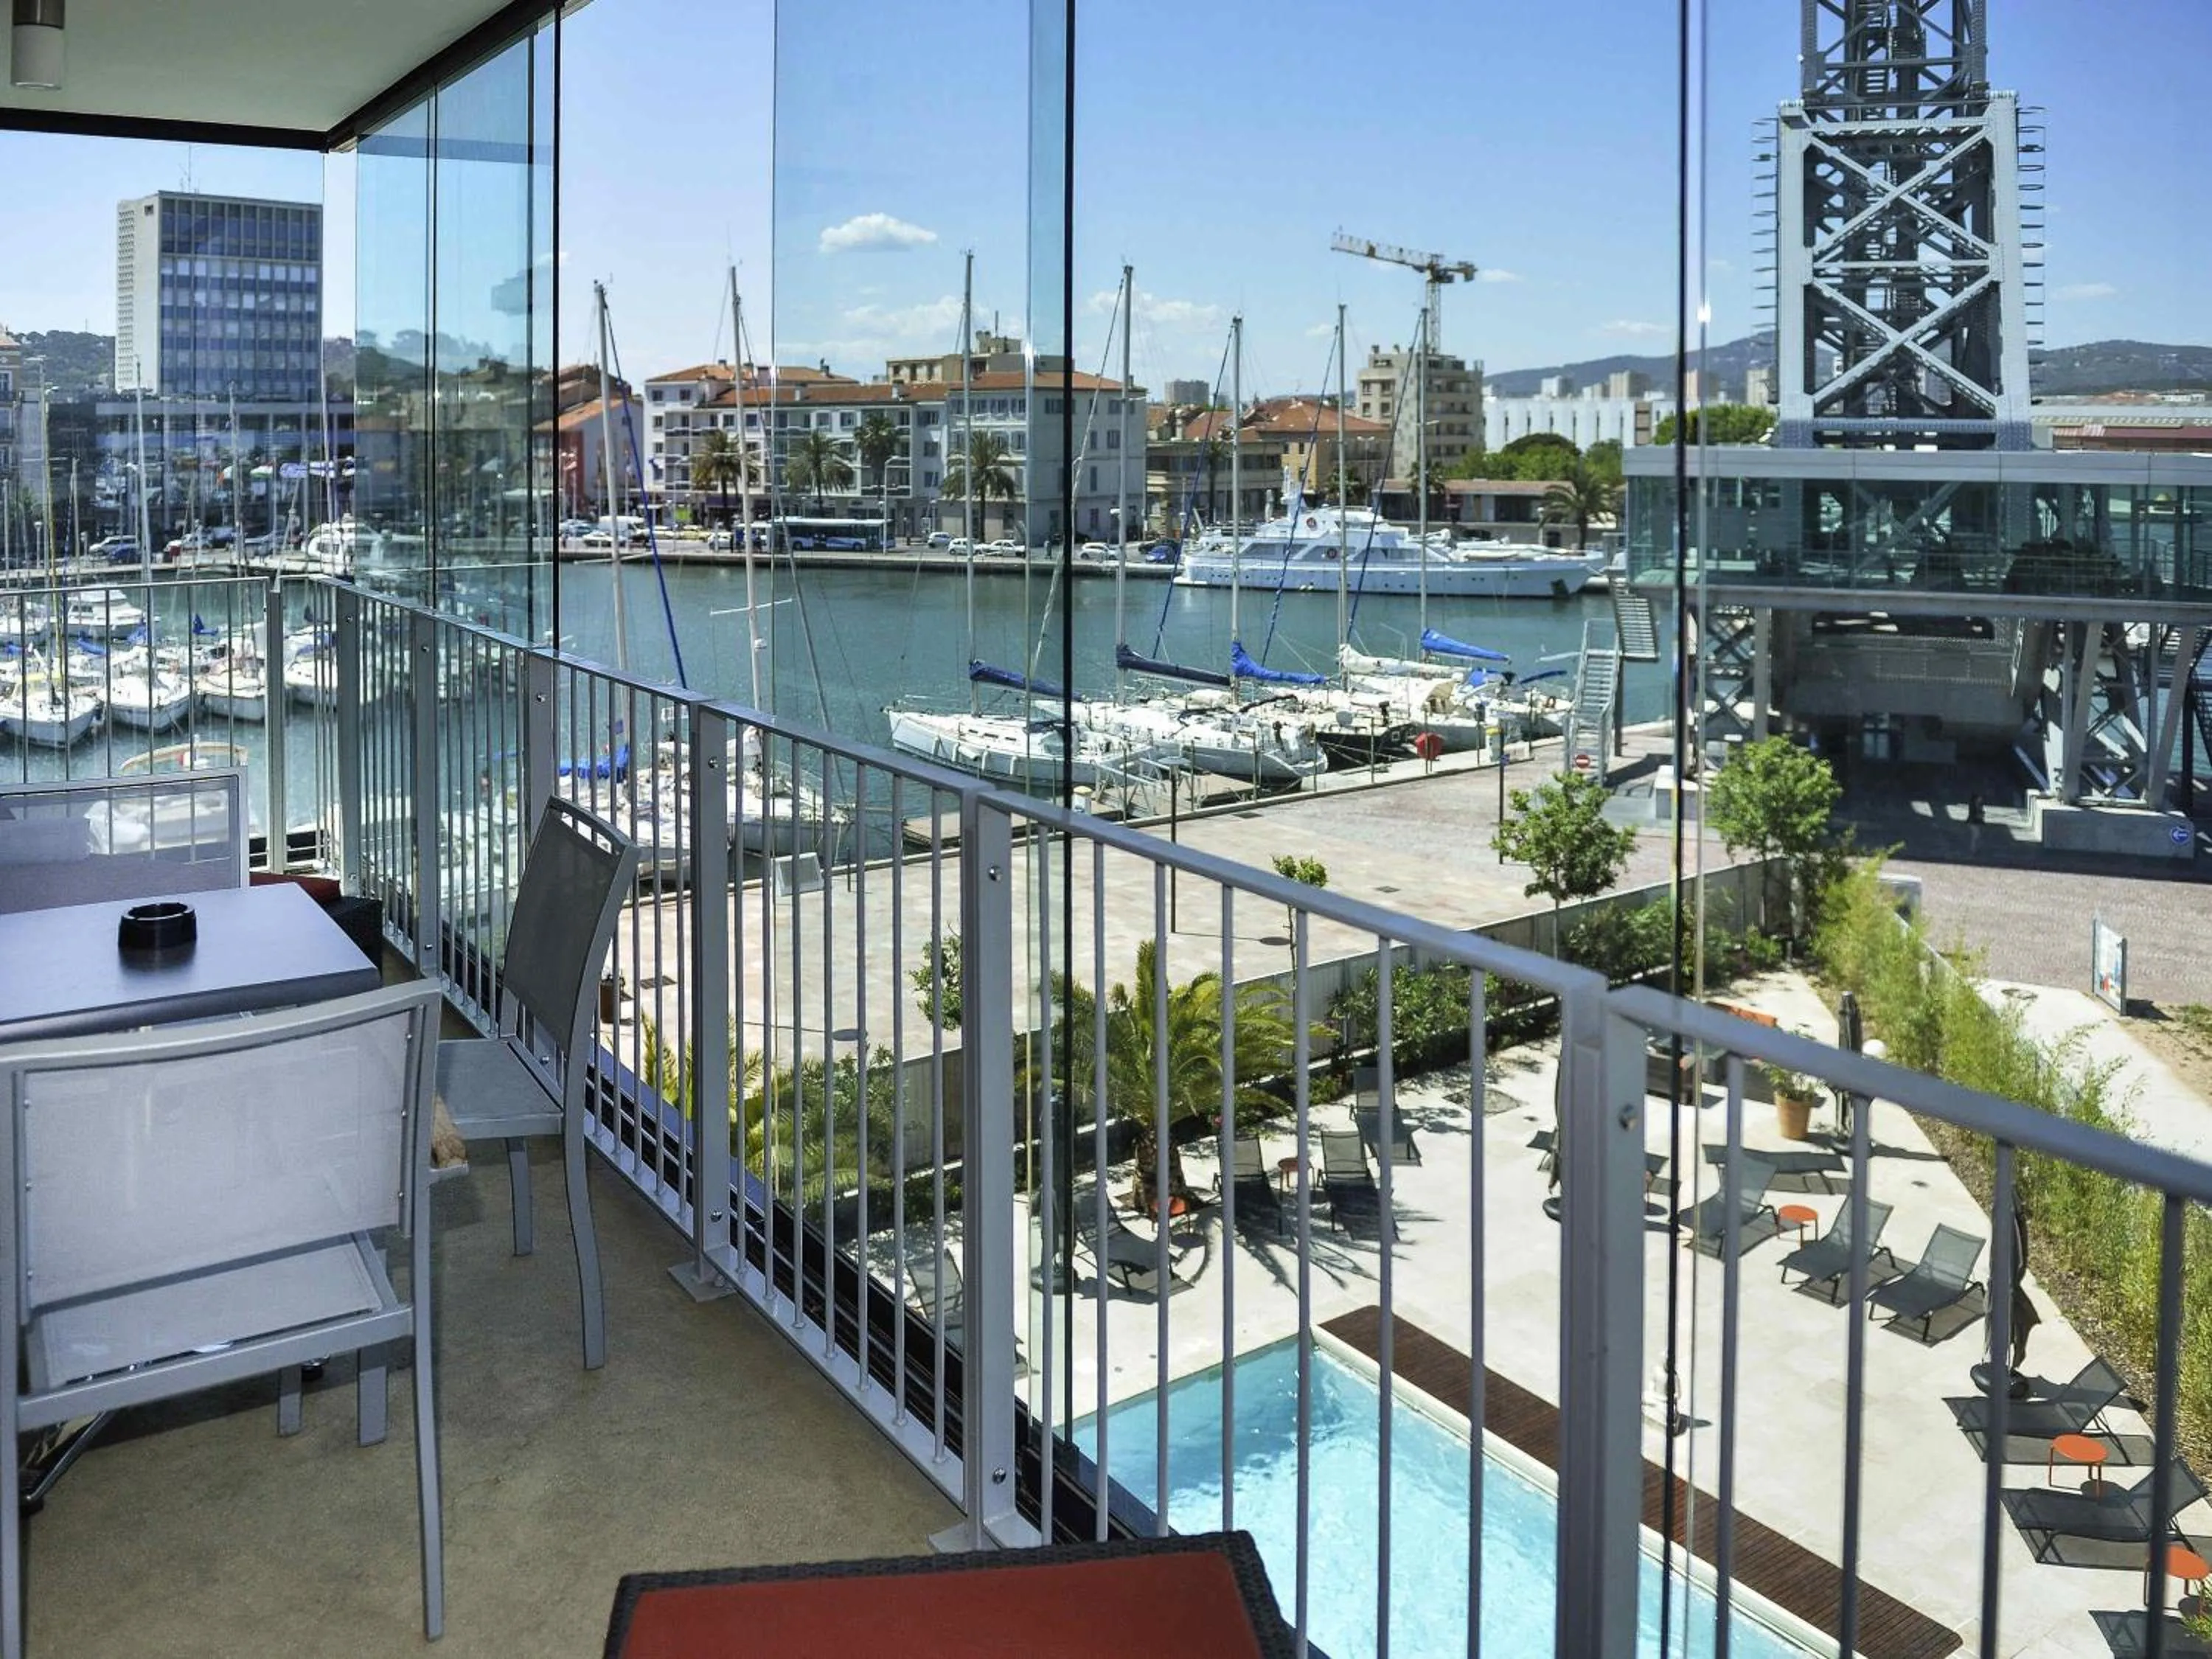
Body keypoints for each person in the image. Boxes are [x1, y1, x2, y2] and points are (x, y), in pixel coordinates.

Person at [1966, 791, 1985, 855]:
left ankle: (1975, 849)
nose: (1981, 799)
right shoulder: (1974, 806)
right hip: (1973, 823)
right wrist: (1981, 815)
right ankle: (1973, 850)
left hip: (1975, 822)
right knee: (1976, 836)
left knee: (1977, 836)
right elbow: (1976, 815)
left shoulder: (1978, 805)